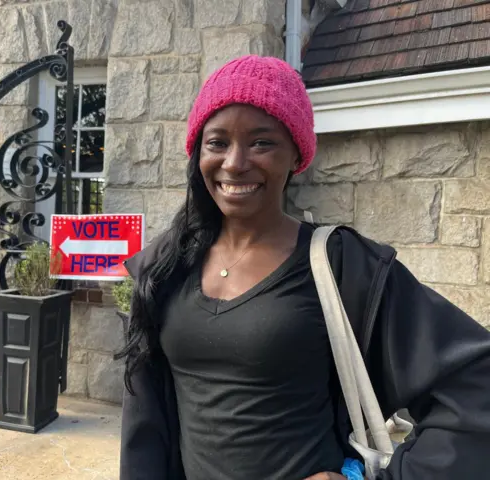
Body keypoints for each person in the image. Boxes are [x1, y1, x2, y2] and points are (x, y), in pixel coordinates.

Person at [116, 55, 490, 480]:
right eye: (217, 142)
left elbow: (477, 388)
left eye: (261, 143)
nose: (235, 163)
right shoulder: (166, 268)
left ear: (296, 155)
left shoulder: (340, 265)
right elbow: (143, 422)